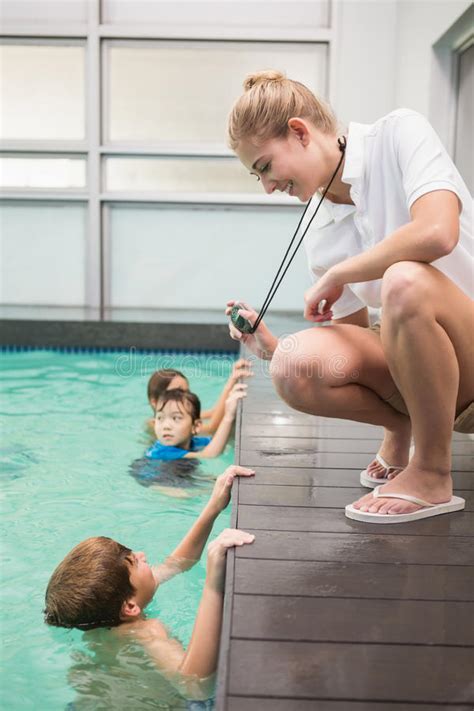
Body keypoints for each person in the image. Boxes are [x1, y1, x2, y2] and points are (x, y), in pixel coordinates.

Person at [226, 70, 473, 523]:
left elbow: (438, 232)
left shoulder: (398, 133)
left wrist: (342, 272)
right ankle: (402, 429)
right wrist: (274, 350)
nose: (267, 187)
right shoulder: (320, 232)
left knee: (404, 279)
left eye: (264, 167)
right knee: (295, 364)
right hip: (430, 372)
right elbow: (353, 355)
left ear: (299, 132)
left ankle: (433, 472)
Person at [44, 465, 256, 706]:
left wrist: (214, 506)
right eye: (134, 561)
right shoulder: (146, 631)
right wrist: (213, 583)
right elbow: (194, 685)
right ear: (130, 607)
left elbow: (177, 563)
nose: (142, 554)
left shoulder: (100, 619)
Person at [146, 359, 252, 437]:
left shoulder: (183, 415)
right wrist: (231, 382)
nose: (186, 397)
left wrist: (234, 376)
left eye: (187, 391)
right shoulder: (155, 425)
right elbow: (211, 428)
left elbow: (213, 412)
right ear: (154, 402)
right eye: (178, 393)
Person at [146, 385, 246, 461]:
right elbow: (209, 455)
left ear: (196, 426)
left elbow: (222, 440)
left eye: (176, 418)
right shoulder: (162, 451)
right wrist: (228, 416)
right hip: (157, 481)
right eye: (160, 418)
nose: (166, 426)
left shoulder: (195, 442)